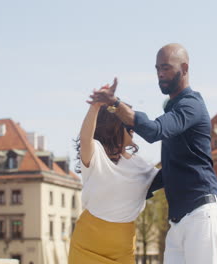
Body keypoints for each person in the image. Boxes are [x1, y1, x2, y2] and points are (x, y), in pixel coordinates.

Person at [89, 43, 217, 264]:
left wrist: (115, 104)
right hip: (179, 220)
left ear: (184, 68)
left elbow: (155, 131)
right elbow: (168, 173)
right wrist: (119, 181)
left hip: (203, 213)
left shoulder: (191, 106)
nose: (160, 75)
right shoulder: (173, 109)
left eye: (165, 68)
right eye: (157, 69)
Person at [68, 88, 159, 264]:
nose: (133, 126)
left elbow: (169, 172)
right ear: (115, 125)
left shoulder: (141, 166)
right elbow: (86, 139)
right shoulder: (96, 153)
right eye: (127, 121)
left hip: (122, 247)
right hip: (88, 244)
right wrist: (95, 106)